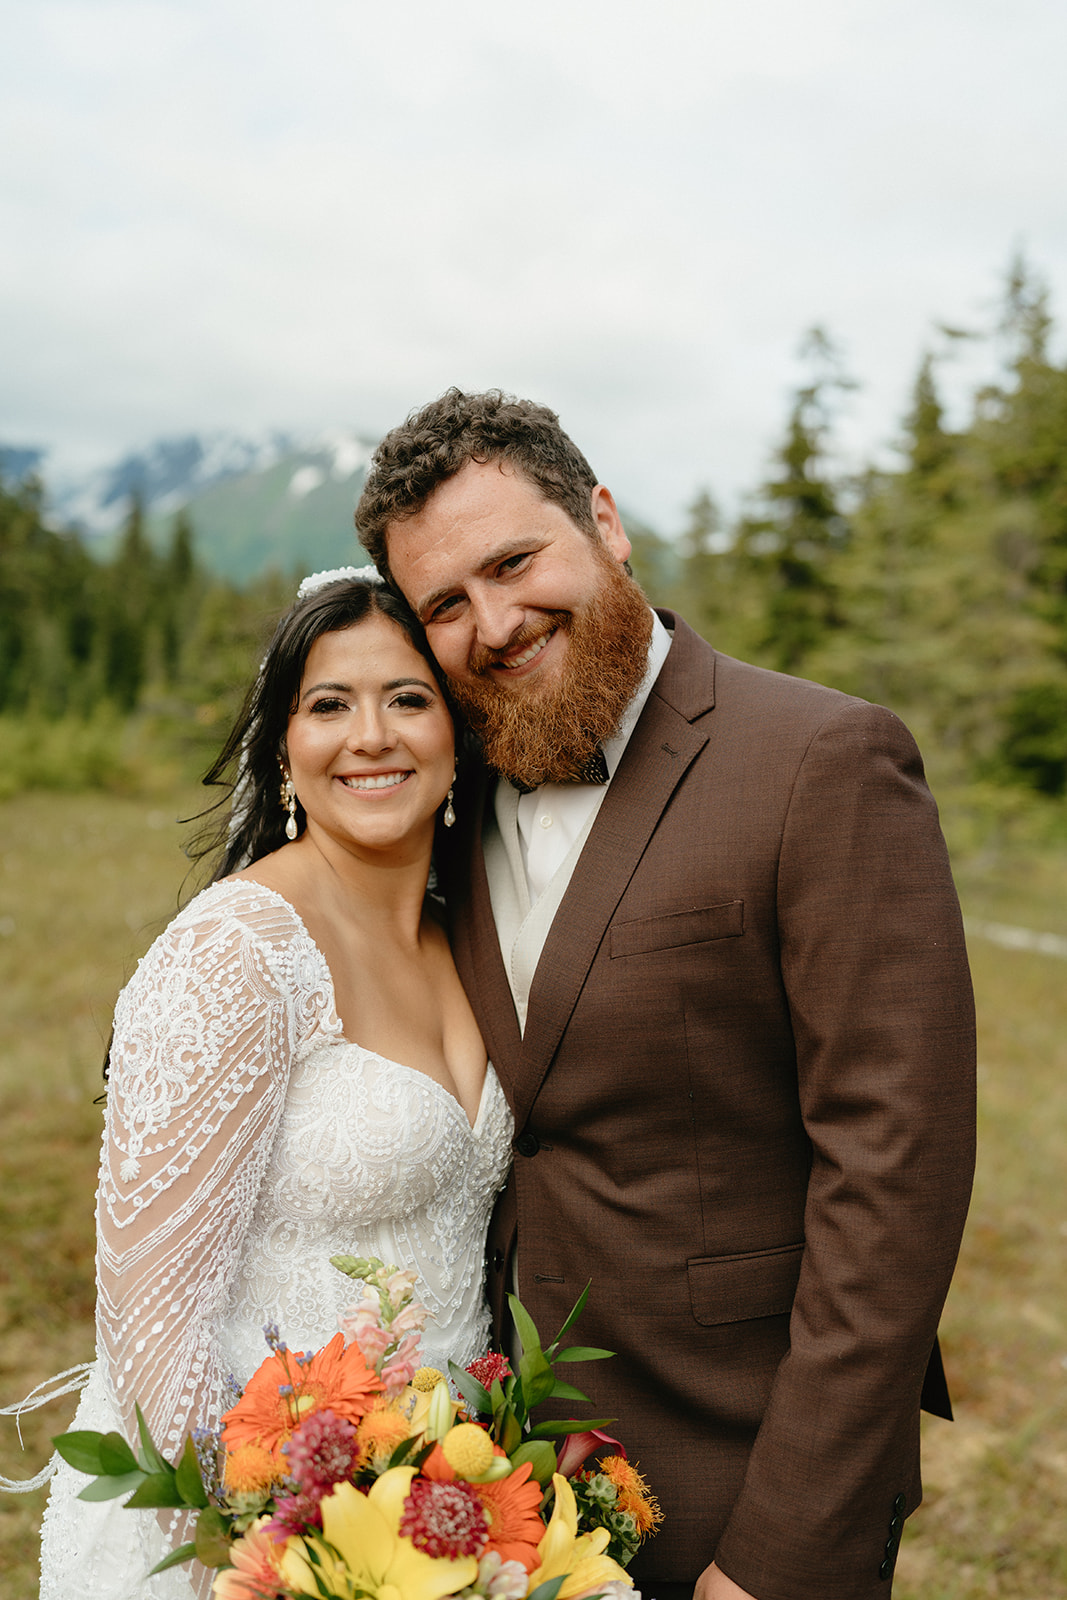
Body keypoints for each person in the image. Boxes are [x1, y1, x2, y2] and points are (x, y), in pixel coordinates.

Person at [353, 390, 978, 1600]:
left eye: (514, 561)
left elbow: (893, 1177)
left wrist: (782, 1543)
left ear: (604, 521)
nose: (492, 622)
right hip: (502, 1473)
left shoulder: (821, 761)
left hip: (747, 1468)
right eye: (443, 604)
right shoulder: (449, 785)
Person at [25, 569, 513, 1598]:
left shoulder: (463, 936)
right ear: (283, 748)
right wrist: (278, 1546)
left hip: (430, 1515)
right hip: (233, 1533)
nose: (370, 735)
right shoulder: (236, 954)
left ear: (455, 735)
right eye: (328, 704)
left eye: (407, 698)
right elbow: (152, 1327)